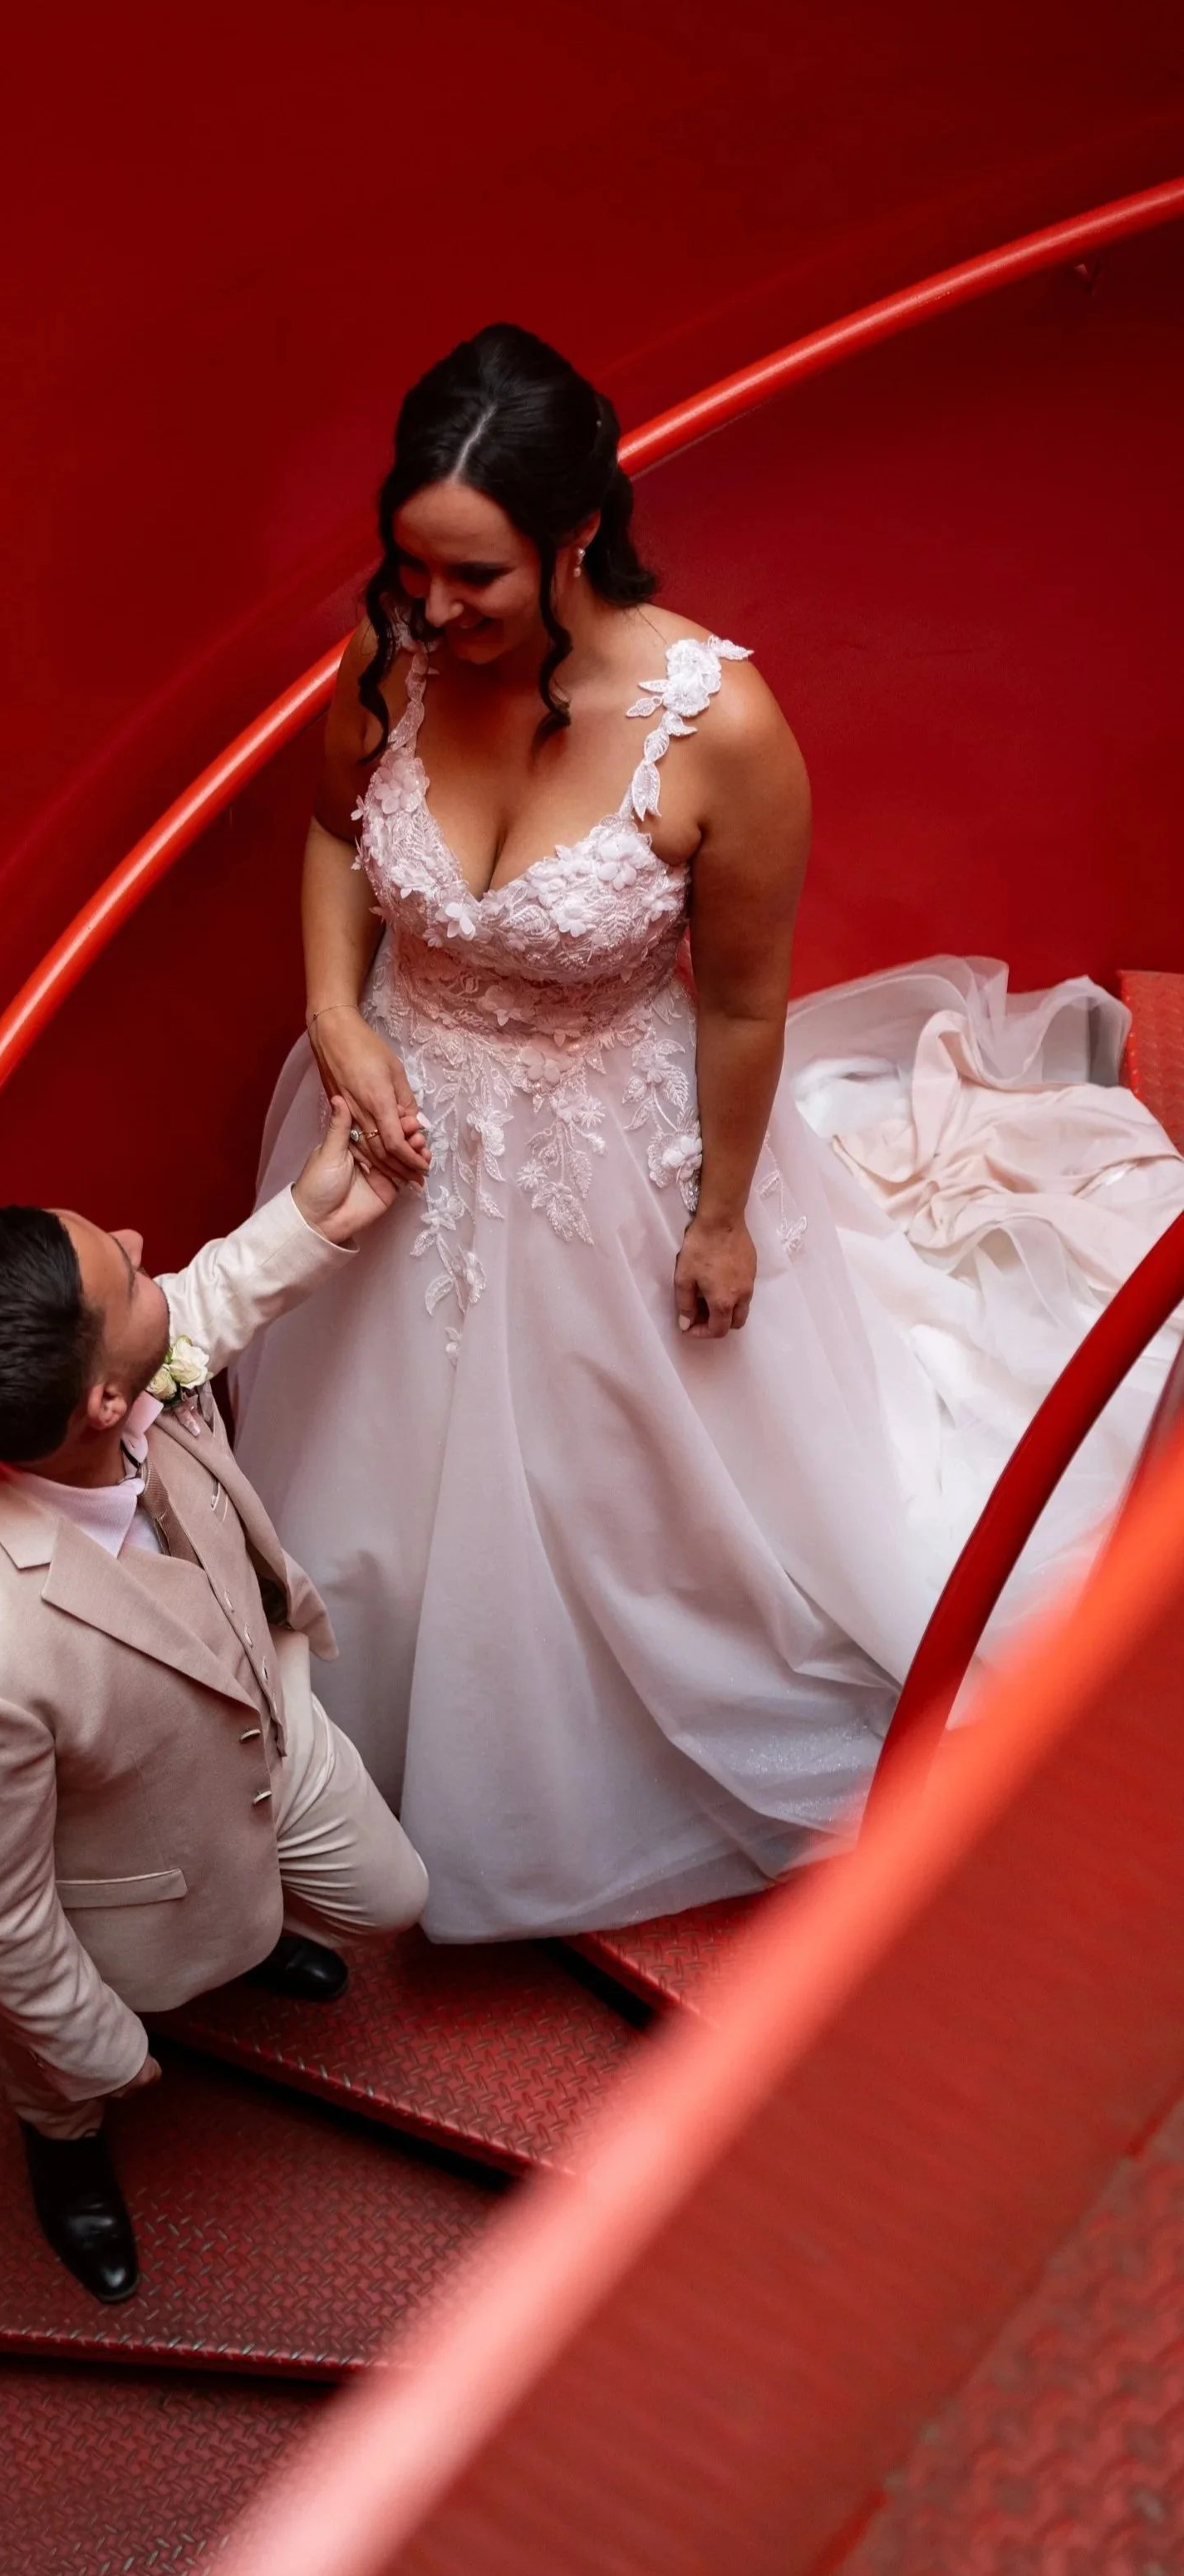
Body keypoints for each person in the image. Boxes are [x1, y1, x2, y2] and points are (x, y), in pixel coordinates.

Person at [230, 322, 1184, 1944]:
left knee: (636, 1482)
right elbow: (335, 831)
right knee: (375, 1463)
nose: (432, 611)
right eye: (411, 569)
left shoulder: (715, 728)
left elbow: (741, 1003)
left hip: (613, 1146)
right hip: (395, 1120)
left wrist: (723, 1210)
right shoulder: (388, 654)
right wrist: (338, 1017)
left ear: (575, 537)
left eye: (474, 578)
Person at [0, 1098, 429, 2303]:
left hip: (266, 1720)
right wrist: (100, 2054)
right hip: (126, 1872)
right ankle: (62, 2153)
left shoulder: (64, 1396)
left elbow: (193, 1319)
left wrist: (319, 1218)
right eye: (127, 1270)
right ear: (102, 1410)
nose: (134, 1238)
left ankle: (257, 1929)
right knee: (65, 2074)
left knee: (391, 1896)